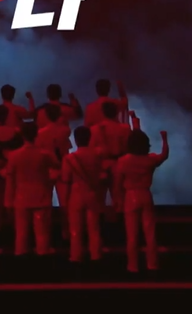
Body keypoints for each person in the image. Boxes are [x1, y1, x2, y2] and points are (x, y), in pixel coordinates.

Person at [2, 122, 61, 256]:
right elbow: (57, 166)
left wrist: (8, 202)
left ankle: (21, 260)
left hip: (21, 198)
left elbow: (10, 181)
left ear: (22, 136)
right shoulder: (45, 154)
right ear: (36, 134)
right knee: (42, 233)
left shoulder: (14, 156)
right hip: (41, 196)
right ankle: (43, 258)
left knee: (21, 233)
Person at [114, 129, 169, 273]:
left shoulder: (123, 161)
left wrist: (118, 200)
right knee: (150, 233)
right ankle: (152, 264)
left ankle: (133, 266)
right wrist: (164, 139)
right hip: (145, 194)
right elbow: (164, 155)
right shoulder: (150, 160)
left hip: (130, 196)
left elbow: (118, 183)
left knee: (132, 234)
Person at [62, 126, 105, 262]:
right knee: (94, 228)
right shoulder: (97, 156)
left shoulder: (70, 158)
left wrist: (65, 200)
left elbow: (66, 179)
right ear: (89, 138)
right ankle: (96, 255)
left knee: (75, 229)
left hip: (76, 194)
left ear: (75, 140)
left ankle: (76, 256)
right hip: (92, 193)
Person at [34, 104, 73, 239]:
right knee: (65, 202)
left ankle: (46, 233)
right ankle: (66, 231)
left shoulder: (40, 133)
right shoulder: (65, 130)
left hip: (47, 170)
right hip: (62, 168)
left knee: (46, 203)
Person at [89, 102, 131, 216]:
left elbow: (92, 150)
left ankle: (101, 220)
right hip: (119, 163)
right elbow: (128, 147)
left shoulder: (94, 129)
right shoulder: (124, 129)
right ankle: (120, 220)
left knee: (100, 197)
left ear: (103, 113)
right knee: (119, 196)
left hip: (101, 164)